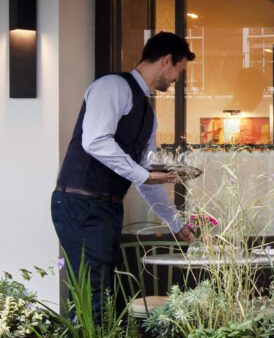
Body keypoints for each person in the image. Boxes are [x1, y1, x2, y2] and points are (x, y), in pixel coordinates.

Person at [51, 32, 196, 316]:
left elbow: (146, 176)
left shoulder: (147, 114)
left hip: (107, 208)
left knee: (105, 292)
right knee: (92, 293)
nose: (179, 78)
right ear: (167, 61)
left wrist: (175, 223)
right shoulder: (112, 87)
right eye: (180, 70)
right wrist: (142, 174)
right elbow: (95, 140)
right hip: (80, 203)